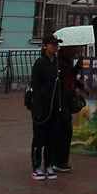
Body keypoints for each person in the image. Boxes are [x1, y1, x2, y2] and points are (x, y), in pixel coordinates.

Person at [30, 34, 65, 180]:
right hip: (41, 107)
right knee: (39, 138)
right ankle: (37, 166)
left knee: (51, 137)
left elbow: (60, 85)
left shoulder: (58, 63)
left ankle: (48, 165)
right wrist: (37, 108)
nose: (55, 47)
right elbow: (35, 87)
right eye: (53, 44)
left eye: (57, 44)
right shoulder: (40, 63)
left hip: (54, 106)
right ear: (45, 46)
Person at [50, 45, 86, 173]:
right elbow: (67, 77)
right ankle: (58, 161)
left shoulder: (67, 62)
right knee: (63, 131)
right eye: (72, 49)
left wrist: (81, 84)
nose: (74, 51)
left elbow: (72, 77)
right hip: (61, 101)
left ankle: (61, 160)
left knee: (65, 131)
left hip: (66, 101)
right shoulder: (60, 64)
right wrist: (77, 68)